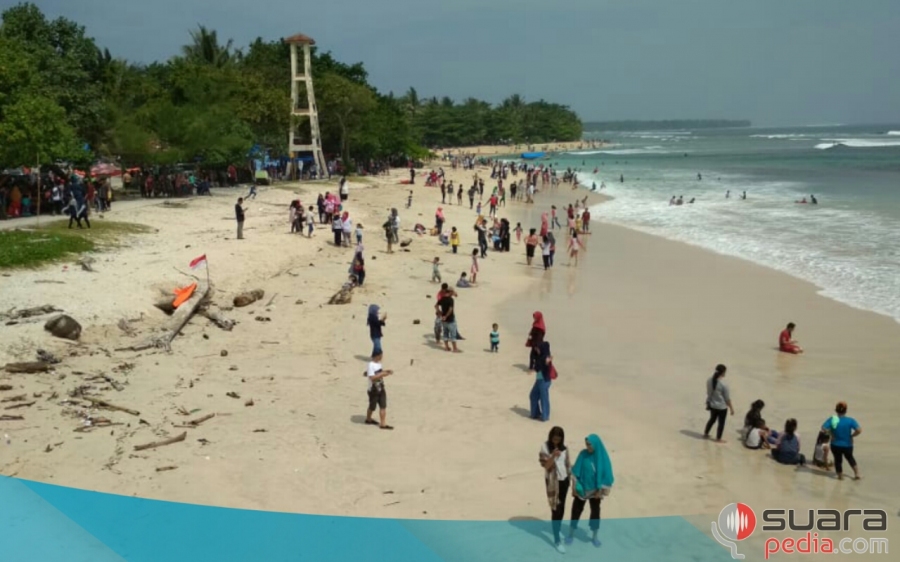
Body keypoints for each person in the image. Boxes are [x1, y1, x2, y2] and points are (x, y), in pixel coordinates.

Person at [565, 434, 614, 549]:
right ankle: (571, 534)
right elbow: (575, 472)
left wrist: (599, 491)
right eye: (586, 444)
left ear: (596, 444)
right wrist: (574, 488)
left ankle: (595, 537)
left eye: (590, 445)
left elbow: (606, 475)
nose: (588, 447)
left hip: (595, 492)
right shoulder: (583, 454)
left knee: (595, 513)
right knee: (576, 510)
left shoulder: (602, 458)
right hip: (582, 489)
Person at [540, 426, 572, 554]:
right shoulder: (545, 447)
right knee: (555, 509)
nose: (556, 442)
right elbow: (545, 466)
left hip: (564, 481)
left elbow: (568, 464)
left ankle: (557, 529)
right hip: (553, 483)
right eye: (554, 439)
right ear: (551, 437)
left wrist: (570, 480)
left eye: (558, 440)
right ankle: (557, 541)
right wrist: (553, 455)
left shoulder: (565, 448)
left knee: (562, 507)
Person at [821, 402, 861, 480]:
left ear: (836, 410)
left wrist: (831, 434)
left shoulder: (832, 419)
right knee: (850, 458)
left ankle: (840, 476)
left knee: (838, 460)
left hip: (835, 444)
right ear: (846, 411)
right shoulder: (850, 420)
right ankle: (857, 474)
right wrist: (852, 436)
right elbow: (859, 430)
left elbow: (823, 427)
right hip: (848, 444)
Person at [703, 364, 734, 442]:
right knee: (721, 423)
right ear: (723, 372)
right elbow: (727, 399)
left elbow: (708, 392)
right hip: (721, 407)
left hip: (712, 405)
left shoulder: (709, 380)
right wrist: (731, 408)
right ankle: (718, 439)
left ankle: (706, 433)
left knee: (712, 420)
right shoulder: (724, 384)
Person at [364, 351, 393, 430]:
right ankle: (368, 419)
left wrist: (387, 372)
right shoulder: (371, 365)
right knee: (372, 407)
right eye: (380, 356)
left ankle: (383, 424)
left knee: (383, 406)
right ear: (376, 356)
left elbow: (379, 373)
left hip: (381, 387)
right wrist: (382, 374)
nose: (381, 357)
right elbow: (372, 378)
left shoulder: (379, 364)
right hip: (373, 390)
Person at [529, 337, 553, 421]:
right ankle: (535, 413)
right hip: (539, 379)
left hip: (545, 380)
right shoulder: (539, 356)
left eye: (537, 348)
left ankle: (545, 416)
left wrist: (548, 361)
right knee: (533, 395)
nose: (536, 350)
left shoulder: (545, 356)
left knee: (544, 398)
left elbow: (546, 362)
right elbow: (534, 361)